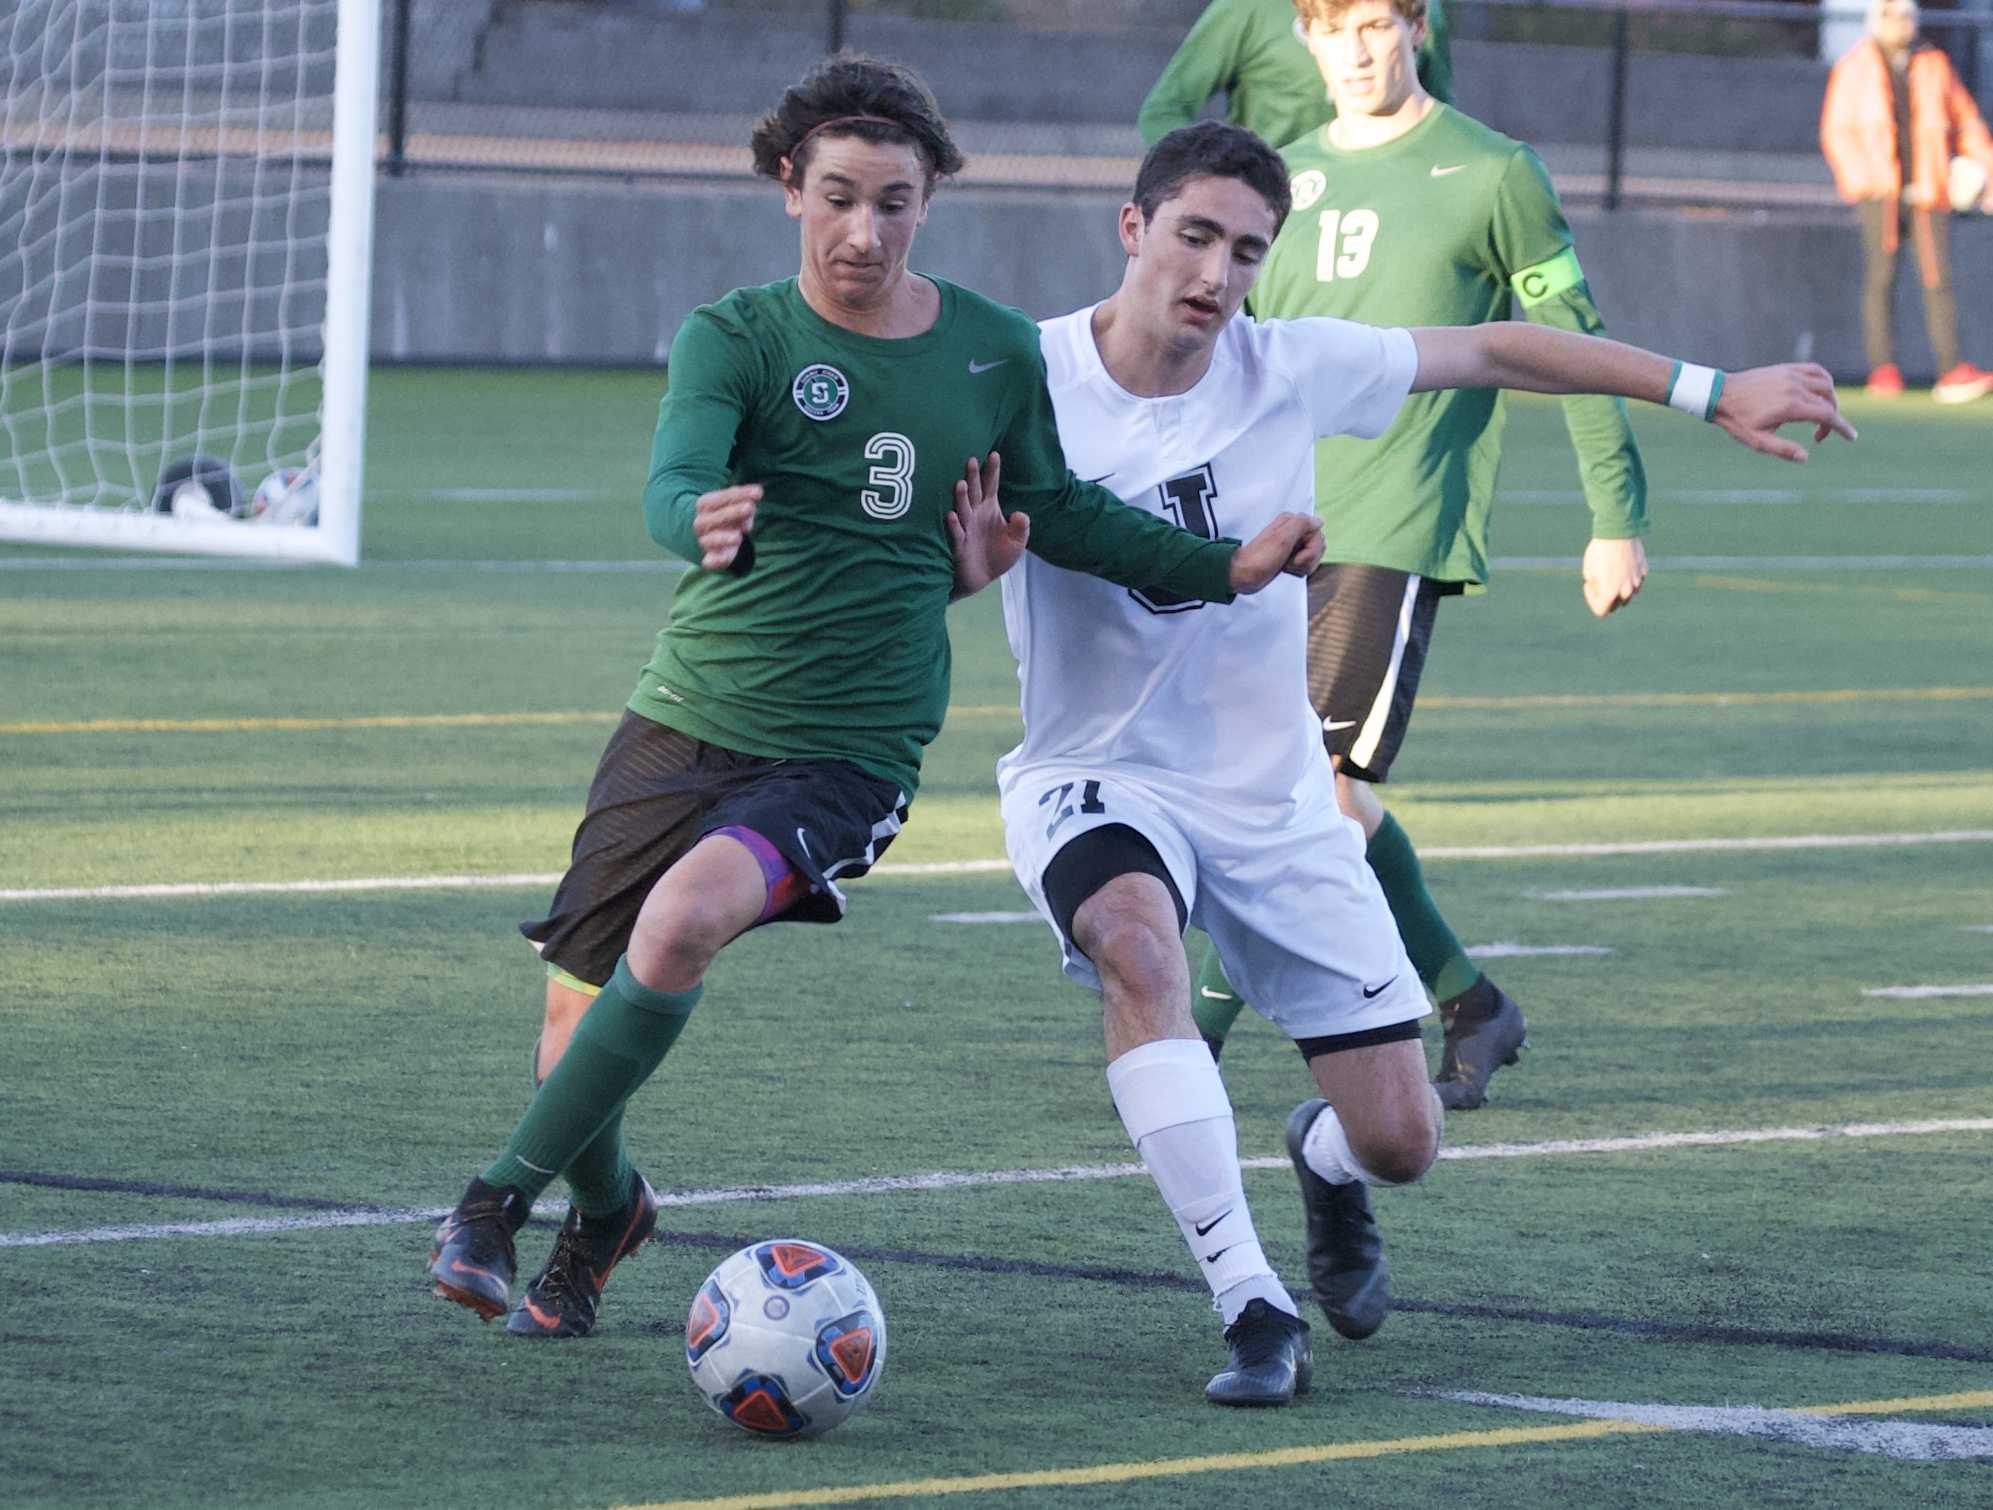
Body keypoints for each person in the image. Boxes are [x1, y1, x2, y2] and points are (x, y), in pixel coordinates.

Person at [423, 54, 1325, 1341]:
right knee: (573, 1039)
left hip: (850, 746)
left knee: (678, 924)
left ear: (926, 203)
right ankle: (608, 1208)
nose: (866, 229)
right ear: (790, 188)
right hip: (685, 710)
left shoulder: (991, 349)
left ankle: (489, 1202)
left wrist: (1220, 566)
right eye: (839, 196)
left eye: (894, 201)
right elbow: (671, 480)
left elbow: (1056, 510)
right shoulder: (733, 336)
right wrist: (702, 517)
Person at [997, 119, 1850, 1401]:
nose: (1217, 273)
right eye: (1193, 236)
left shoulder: (1286, 367)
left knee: (1402, 1139)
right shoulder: (1026, 375)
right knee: (1137, 940)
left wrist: (1707, 387)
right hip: (1094, 776)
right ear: (1132, 228)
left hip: (1272, 796)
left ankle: (1325, 1166)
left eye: (1245, 250)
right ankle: (1250, 1305)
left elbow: (1498, 344)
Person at [1190, 0, 1650, 1111]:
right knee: (1289, 793)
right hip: (1271, 531)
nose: (1352, 50)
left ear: (1417, 28)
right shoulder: (1280, 175)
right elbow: (1240, 354)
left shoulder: (1491, 173)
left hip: (1391, 525)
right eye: (1329, 27)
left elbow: (1568, 342)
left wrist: (1614, 512)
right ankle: (1469, 997)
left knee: (1300, 790)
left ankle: (1186, 1034)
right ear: (1303, 40)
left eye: (1374, 24)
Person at [1820, 0, 1993, 403]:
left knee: (1937, 279)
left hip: (1928, 189)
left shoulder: (1933, 64)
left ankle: (1951, 370)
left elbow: (1967, 122)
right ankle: (1883, 369)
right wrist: (1863, 180)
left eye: (1906, 16)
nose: (1902, 24)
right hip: (1880, 192)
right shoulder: (1855, 66)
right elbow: (1837, 130)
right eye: (1893, 16)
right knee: (1881, 280)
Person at [1139, 0, 1450, 151]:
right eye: (1333, 31)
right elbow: (1164, 111)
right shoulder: (1250, 7)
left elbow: (1438, 113)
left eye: (1376, 28)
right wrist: (1208, 182)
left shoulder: (1414, 8)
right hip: (1276, 214)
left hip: (1383, 200)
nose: (1357, 55)